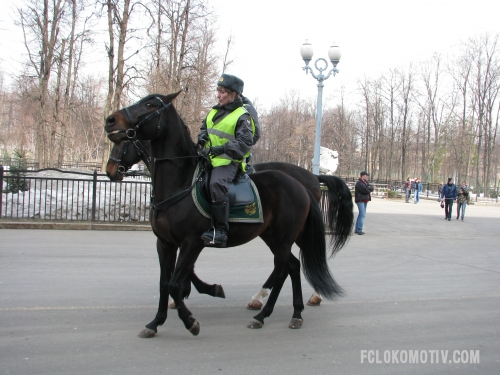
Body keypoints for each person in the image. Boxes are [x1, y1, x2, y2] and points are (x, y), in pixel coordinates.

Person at [197, 74, 255, 247]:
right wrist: (201, 139)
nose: (218, 95)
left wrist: (221, 149)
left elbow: (245, 143)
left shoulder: (242, 116)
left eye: (222, 92)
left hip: (229, 162)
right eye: (218, 91)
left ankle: (220, 231)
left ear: (234, 94)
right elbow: (204, 129)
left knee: (216, 184)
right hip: (208, 158)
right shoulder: (214, 111)